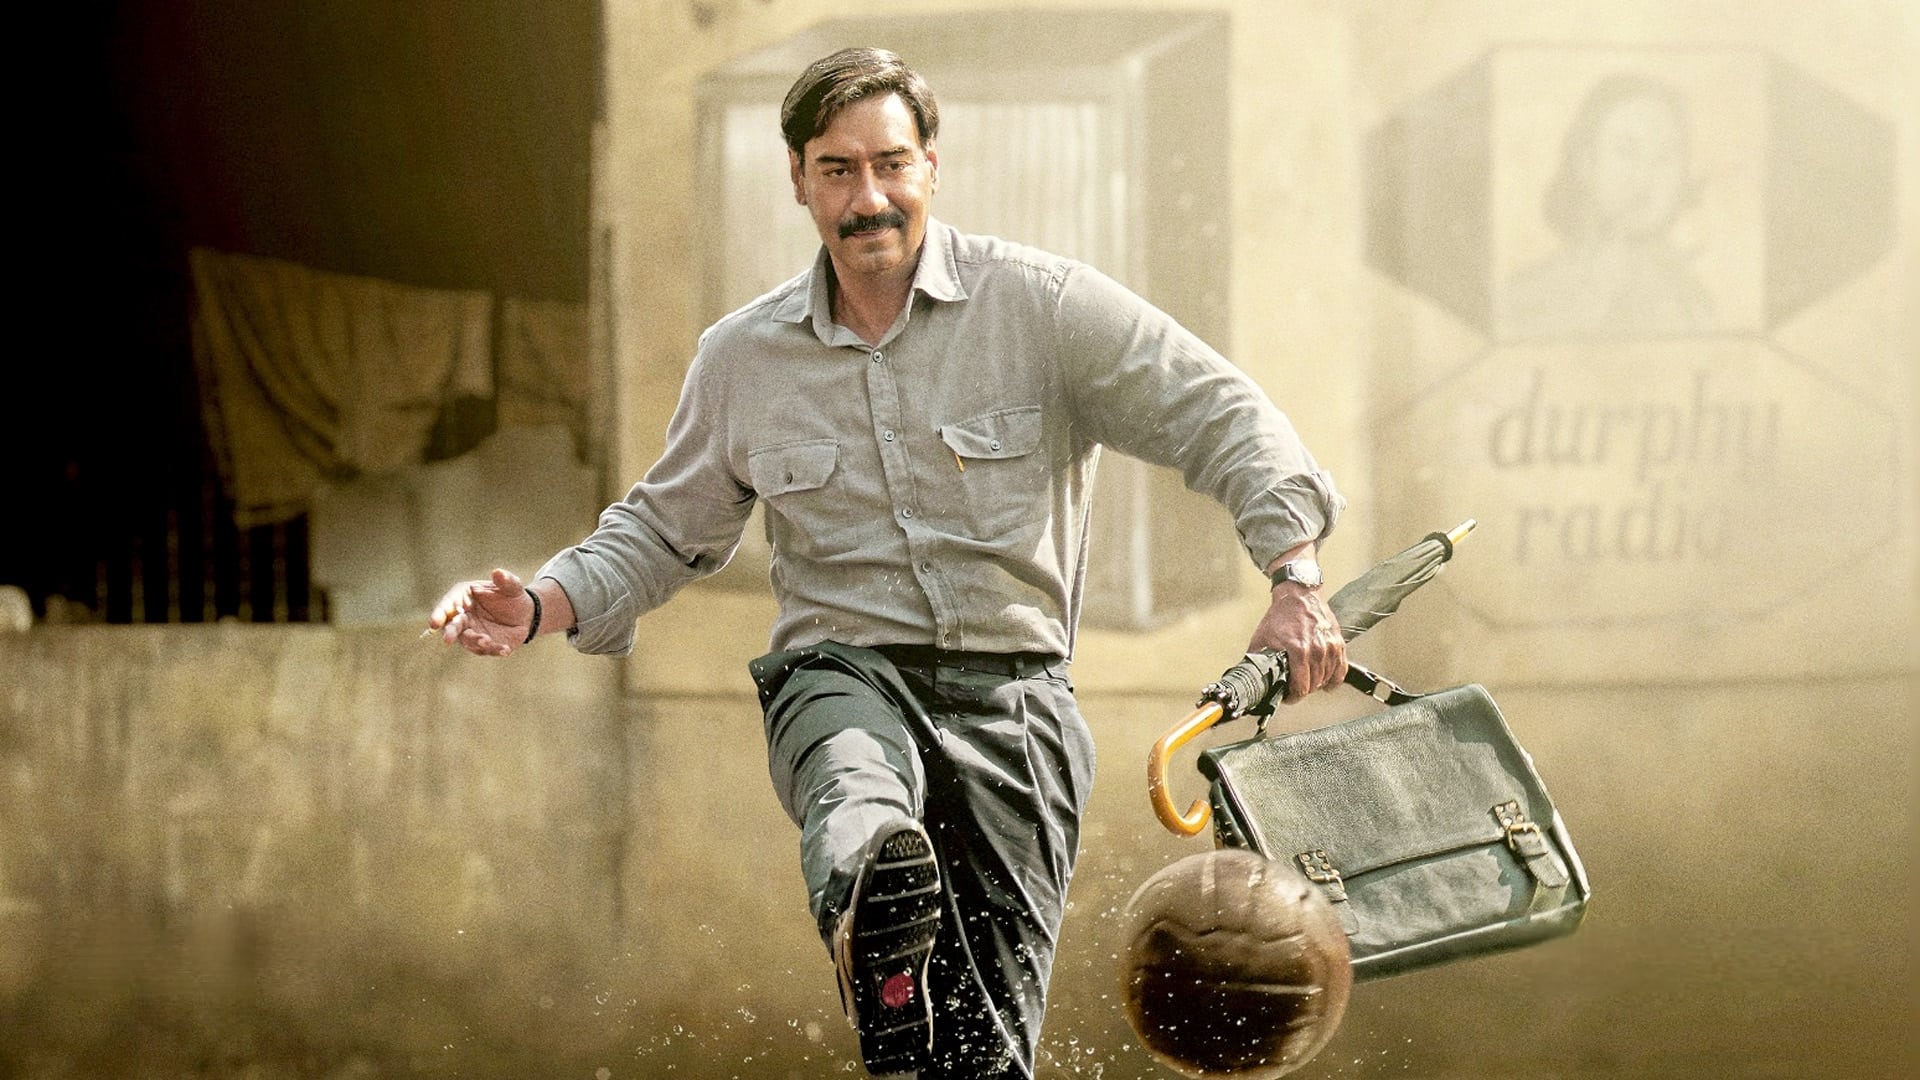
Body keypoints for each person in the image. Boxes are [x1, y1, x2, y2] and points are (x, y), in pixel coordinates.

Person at [428, 47, 1348, 1079]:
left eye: (890, 164)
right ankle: (872, 898)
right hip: (844, 673)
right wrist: (541, 603)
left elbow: (1218, 412)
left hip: (1017, 709)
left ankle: (902, 990)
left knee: (982, 1058)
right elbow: (660, 530)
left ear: (931, 167)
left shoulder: (1043, 307)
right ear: (798, 180)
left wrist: (1295, 578)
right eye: (837, 170)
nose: (868, 198)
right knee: (855, 785)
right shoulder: (744, 359)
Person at [1499, 71, 1716, 340]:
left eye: (1664, 157)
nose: (1644, 177)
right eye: (1626, 152)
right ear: (1586, 163)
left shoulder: (1695, 308)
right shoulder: (1521, 300)